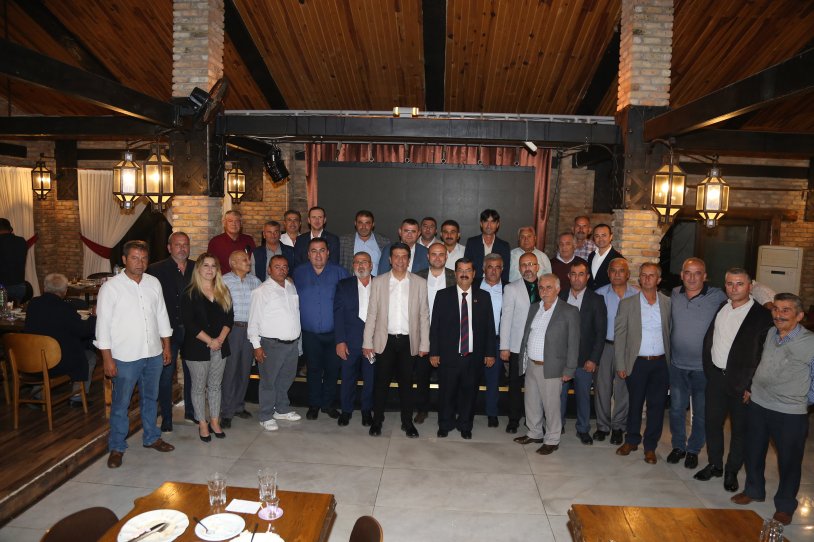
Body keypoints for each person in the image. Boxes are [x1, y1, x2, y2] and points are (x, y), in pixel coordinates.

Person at [731, 293, 814, 526]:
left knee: (789, 461)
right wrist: (752, 388)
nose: (778, 314)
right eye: (776, 309)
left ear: (799, 315)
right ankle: (754, 490)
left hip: (790, 412)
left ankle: (785, 506)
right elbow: (763, 364)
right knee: (753, 451)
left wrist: (801, 400)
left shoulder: (810, 342)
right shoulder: (770, 333)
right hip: (759, 404)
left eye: (786, 310)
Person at [95, 240, 174, 469]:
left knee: (151, 398)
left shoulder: (153, 283)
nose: (140, 263)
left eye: (144, 258)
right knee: (121, 403)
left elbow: (162, 315)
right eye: (134, 258)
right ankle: (117, 446)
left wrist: (166, 346)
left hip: (153, 353)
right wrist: (107, 358)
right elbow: (103, 325)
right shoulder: (111, 288)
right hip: (125, 356)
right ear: (124, 260)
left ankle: (151, 437)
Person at [695, 268, 773, 492]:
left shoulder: (762, 316)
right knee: (712, 424)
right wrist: (709, 369)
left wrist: (751, 385)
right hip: (716, 378)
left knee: (740, 430)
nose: (734, 288)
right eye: (729, 283)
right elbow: (712, 339)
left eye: (739, 284)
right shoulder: (723, 307)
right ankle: (715, 465)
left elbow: (764, 355)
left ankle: (731, 471)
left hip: (743, 383)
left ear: (750, 286)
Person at [363, 242, 430, 438]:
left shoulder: (419, 283)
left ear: (409, 260)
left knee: (406, 385)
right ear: (390, 259)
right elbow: (372, 314)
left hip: (409, 342)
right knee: (381, 384)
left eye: (404, 256)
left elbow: (424, 316)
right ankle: (377, 421)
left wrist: (425, 344)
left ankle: (407, 423)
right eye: (396, 256)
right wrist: (367, 342)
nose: (400, 260)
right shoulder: (379, 282)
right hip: (385, 342)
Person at [666, 258, 727, 469]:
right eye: (688, 272)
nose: (692, 277)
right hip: (677, 366)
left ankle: (693, 450)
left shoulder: (718, 296)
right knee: (676, 410)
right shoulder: (674, 294)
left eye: (697, 273)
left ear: (705, 276)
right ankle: (678, 446)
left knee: (700, 413)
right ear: (681, 275)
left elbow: (743, 301)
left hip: (704, 369)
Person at [513, 274, 579, 455]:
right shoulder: (535, 307)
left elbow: (574, 343)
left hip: (552, 367)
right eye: (541, 287)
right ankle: (534, 432)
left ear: (558, 289)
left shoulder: (569, 311)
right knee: (531, 402)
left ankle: (552, 439)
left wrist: (570, 369)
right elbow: (527, 334)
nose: (544, 291)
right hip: (531, 364)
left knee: (551, 406)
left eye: (549, 287)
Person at [430, 258, 495, 439]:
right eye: (460, 270)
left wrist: (490, 353)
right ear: (455, 273)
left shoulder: (484, 297)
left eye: (468, 270)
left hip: (473, 356)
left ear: (474, 274)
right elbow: (435, 327)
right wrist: (434, 352)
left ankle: (465, 425)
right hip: (449, 356)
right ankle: (445, 424)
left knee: (470, 393)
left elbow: (490, 327)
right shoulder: (443, 296)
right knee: (446, 393)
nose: (464, 274)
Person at [614, 263, 671, 465]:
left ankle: (650, 447)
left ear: (658, 279)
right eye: (644, 275)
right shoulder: (627, 304)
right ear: (639, 279)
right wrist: (621, 364)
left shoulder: (668, 303)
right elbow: (620, 336)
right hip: (637, 363)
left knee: (657, 406)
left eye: (651, 275)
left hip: (661, 364)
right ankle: (631, 440)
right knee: (635, 404)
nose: (647, 278)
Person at [293, 237, 350, 419]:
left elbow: (347, 303)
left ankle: (328, 404)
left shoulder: (340, 272)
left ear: (328, 253)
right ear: (308, 254)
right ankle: (314, 404)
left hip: (334, 334)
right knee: (313, 370)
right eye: (314, 251)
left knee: (333, 370)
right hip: (309, 334)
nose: (318, 255)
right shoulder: (298, 273)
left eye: (322, 250)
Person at [180, 253, 234, 442]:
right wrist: (210, 341)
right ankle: (202, 423)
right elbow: (189, 323)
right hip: (196, 348)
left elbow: (229, 318)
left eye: (213, 266)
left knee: (215, 386)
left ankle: (214, 421)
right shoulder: (189, 293)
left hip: (220, 346)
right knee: (198, 387)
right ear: (198, 269)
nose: (210, 269)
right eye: (206, 265)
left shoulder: (223, 291)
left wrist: (219, 339)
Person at [146, 231, 195, 431]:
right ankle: (166, 417)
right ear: (169, 247)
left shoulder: (197, 268)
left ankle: (192, 412)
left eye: (185, 244)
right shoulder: (155, 269)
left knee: (193, 374)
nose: (182, 248)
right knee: (166, 377)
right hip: (167, 332)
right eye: (177, 244)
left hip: (192, 331)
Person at [248, 255, 302, 432]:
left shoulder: (291, 286)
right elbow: (253, 321)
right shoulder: (261, 291)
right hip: (271, 344)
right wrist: (256, 346)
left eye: (285, 267)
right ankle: (265, 415)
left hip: (292, 344)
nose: (282, 270)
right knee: (268, 382)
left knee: (286, 379)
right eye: (277, 267)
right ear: (269, 270)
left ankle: (281, 409)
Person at [24, 273, 96, 404]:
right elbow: (83, 331)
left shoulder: (33, 304)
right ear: (65, 291)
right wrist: (93, 317)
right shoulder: (65, 308)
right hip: (56, 362)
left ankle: (38, 393)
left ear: (44, 287)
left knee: (46, 349)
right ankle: (77, 396)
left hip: (30, 358)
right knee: (90, 356)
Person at [558, 261, 606, 445]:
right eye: (573, 274)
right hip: (562, 359)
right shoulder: (560, 296)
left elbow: (600, 333)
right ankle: (557, 425)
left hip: (585, 359)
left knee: (583, 396)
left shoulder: (596, 300)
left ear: (587, 277)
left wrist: (593, 359)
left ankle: (583, 429)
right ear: (568, 276)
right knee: (559, 395)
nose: (577, 278)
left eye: (581, 274)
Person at [593, 258, 637, 444]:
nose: (617, 274)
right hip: (605, 347)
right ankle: (602, 426)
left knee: (623, 389)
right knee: (602, 388)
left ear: (628, 274)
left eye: (621, 271)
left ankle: (618, 427)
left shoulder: (637, 295)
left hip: (626, 349)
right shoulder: (599, 294)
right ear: (608, 273)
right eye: (613, 270)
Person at [413, 242, 456, 423]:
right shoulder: (417, 276)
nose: (437, 258)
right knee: (421, 375)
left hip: (448, 335)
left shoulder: (455, 276)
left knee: (448, 376)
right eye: (433, 254)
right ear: (427, 256)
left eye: (441, 254)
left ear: (446, 257)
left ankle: (447, 410)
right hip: (423, 333)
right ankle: (422, 409)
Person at [500, 252, 540, 434]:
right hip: (517, 346)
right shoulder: (511, 288)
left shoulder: (546, 286)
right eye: (524, 265)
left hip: (540, 347)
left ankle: (535, 419)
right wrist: (504, 346)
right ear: (519, 268)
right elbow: (506, 318)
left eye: (531, 264)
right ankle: (513, 420)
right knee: (515, 385)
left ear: (537, 267)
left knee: (537, 386)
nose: (527, 268)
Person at [221, 250, 262, 427]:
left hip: (251, 331)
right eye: (244, 260)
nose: (248, 262)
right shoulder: (223, 281)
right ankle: (226, 411)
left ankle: (239, 405)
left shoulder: (256, 282)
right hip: (232, 330)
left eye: (248, 259)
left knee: (245, 371)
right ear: (233, 263)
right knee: (230, 371)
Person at [334, 252, 376, 427]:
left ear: (371, 265)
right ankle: (346, 411)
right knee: (347, 378)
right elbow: (338, 315)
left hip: (373, 343)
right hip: (349, 342)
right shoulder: (343, 285)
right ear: (353, 266)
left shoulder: (381, 284)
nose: (361, 265)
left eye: (364, 262)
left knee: (370, 379)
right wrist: (340, 341)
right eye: (357, 262)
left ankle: (366, 411)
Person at [476, 253, 506, 427]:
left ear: (502, 269)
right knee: (469, 378)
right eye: (490, 267)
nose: (493, 271)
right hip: (473, 340)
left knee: (493, 380)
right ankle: (465, 412)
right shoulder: (473, 285)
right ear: (483, 268)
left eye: (497, 267)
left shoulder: (509, 288)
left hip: (497, 340)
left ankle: (492, 414)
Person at [464, 209, 511, 283]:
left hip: (496, 285)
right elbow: (467, 267)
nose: (489, 225)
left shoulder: (504, 246)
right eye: (486, 221)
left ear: (497, 224)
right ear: (481, 223)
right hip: (475, 284)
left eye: (493, 222)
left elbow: (505, 272)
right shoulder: (472, 243)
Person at [338, 210, 389, 275]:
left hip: (376, 281)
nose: (363, 227)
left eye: (367, 223)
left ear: (373, 224)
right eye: (360, 223)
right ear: (355, 223)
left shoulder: (384, 242)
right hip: (351, 280)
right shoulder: (344, 241)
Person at [587, 224, 623, 291]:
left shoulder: (618, 258)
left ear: (611, 237)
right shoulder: (591, 255)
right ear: (594, 238)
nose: (600, 239)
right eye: (597, 236)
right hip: (590, 295)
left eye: (604, 235)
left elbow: (620, 283)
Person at [0, 217, 28, 303]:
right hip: (19, 286)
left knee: (2, 310)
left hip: (2, 287)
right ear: (10, 228)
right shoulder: (21, 241)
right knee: (16, 310)